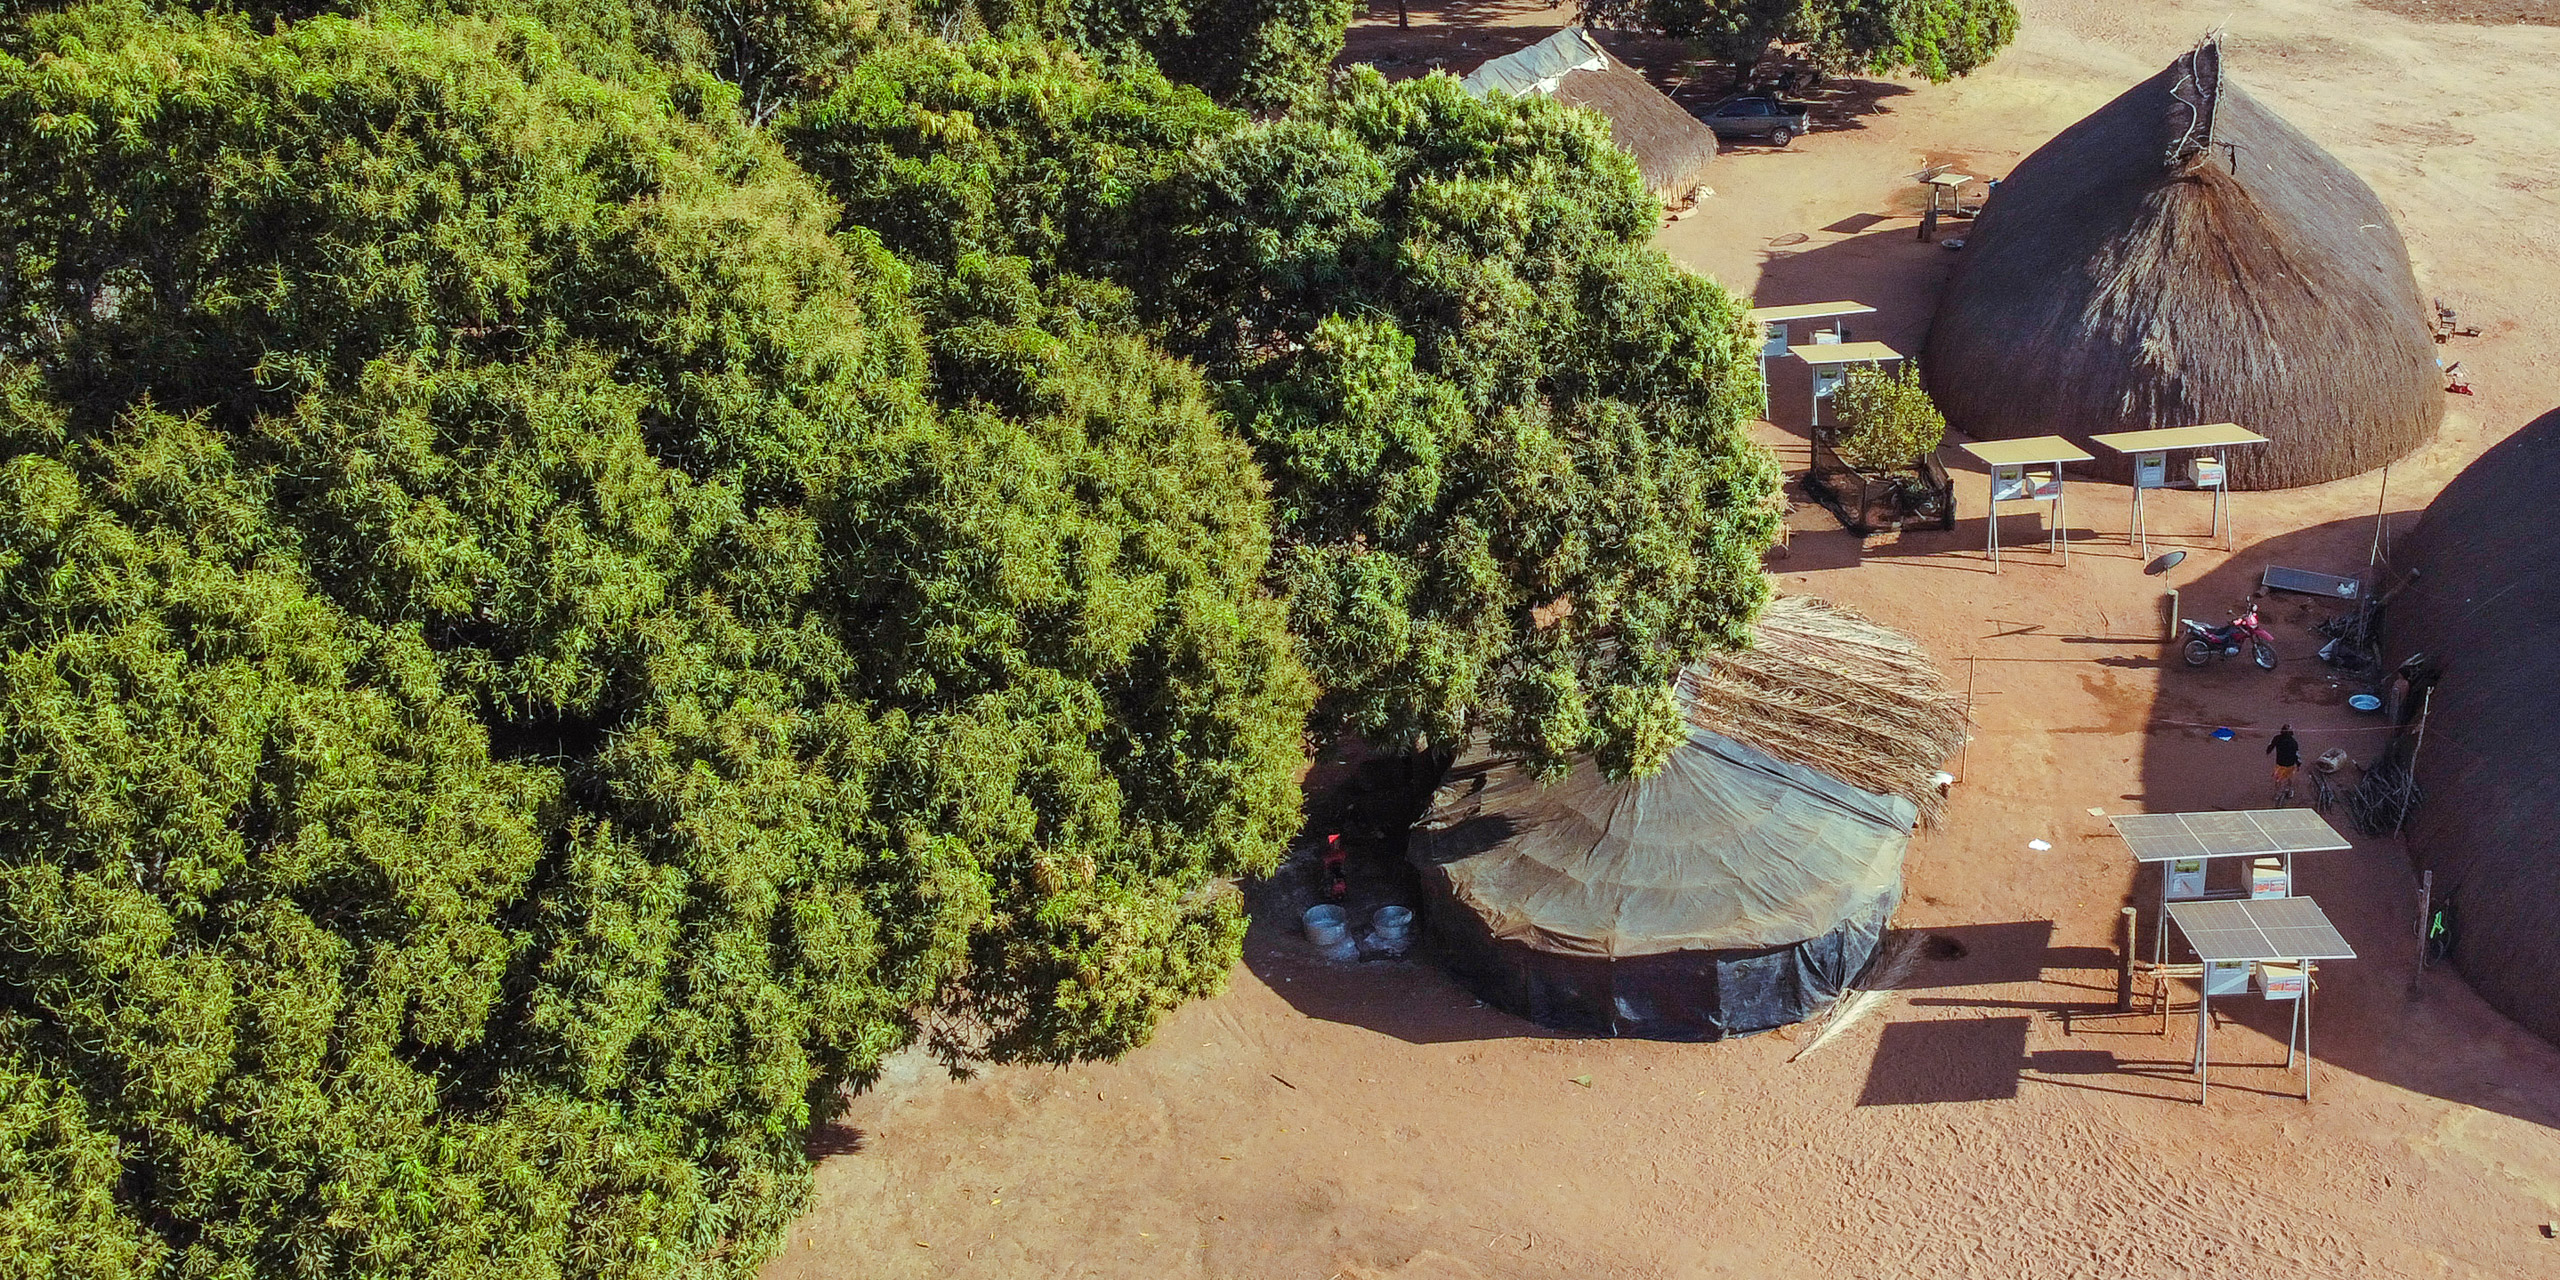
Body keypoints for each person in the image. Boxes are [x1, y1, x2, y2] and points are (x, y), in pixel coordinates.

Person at [2267, 725, 2302, 803]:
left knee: (2279, 780)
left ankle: (2281, 792)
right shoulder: (2293, 742)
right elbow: (2297, 755)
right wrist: (2299, 763)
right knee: (2286, 779)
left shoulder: (2278, 738)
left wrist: (2268, 751)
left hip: (2283, 764)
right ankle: (2288, 790)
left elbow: (2271, 745)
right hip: (2287, 764)